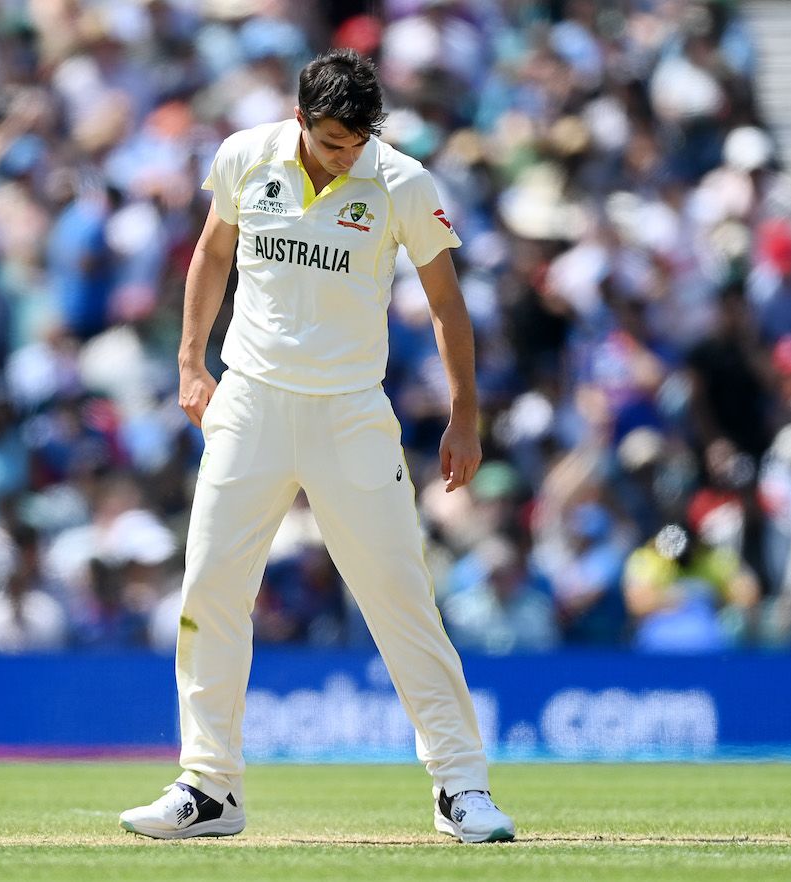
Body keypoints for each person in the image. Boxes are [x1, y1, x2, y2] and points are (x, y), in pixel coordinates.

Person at [119, 49, 515, 844]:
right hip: (252, 401)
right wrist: (191, 361)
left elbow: (446, 304)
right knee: (210, 590)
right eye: (334, 140)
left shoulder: (401, 180)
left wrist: (465, 415)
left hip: (349, 411)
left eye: (360, 139)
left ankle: (460, 787)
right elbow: (211, 253)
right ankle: (209, 787)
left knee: (400, 597)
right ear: (300, 119)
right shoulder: (243, 156)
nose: (348, 155)